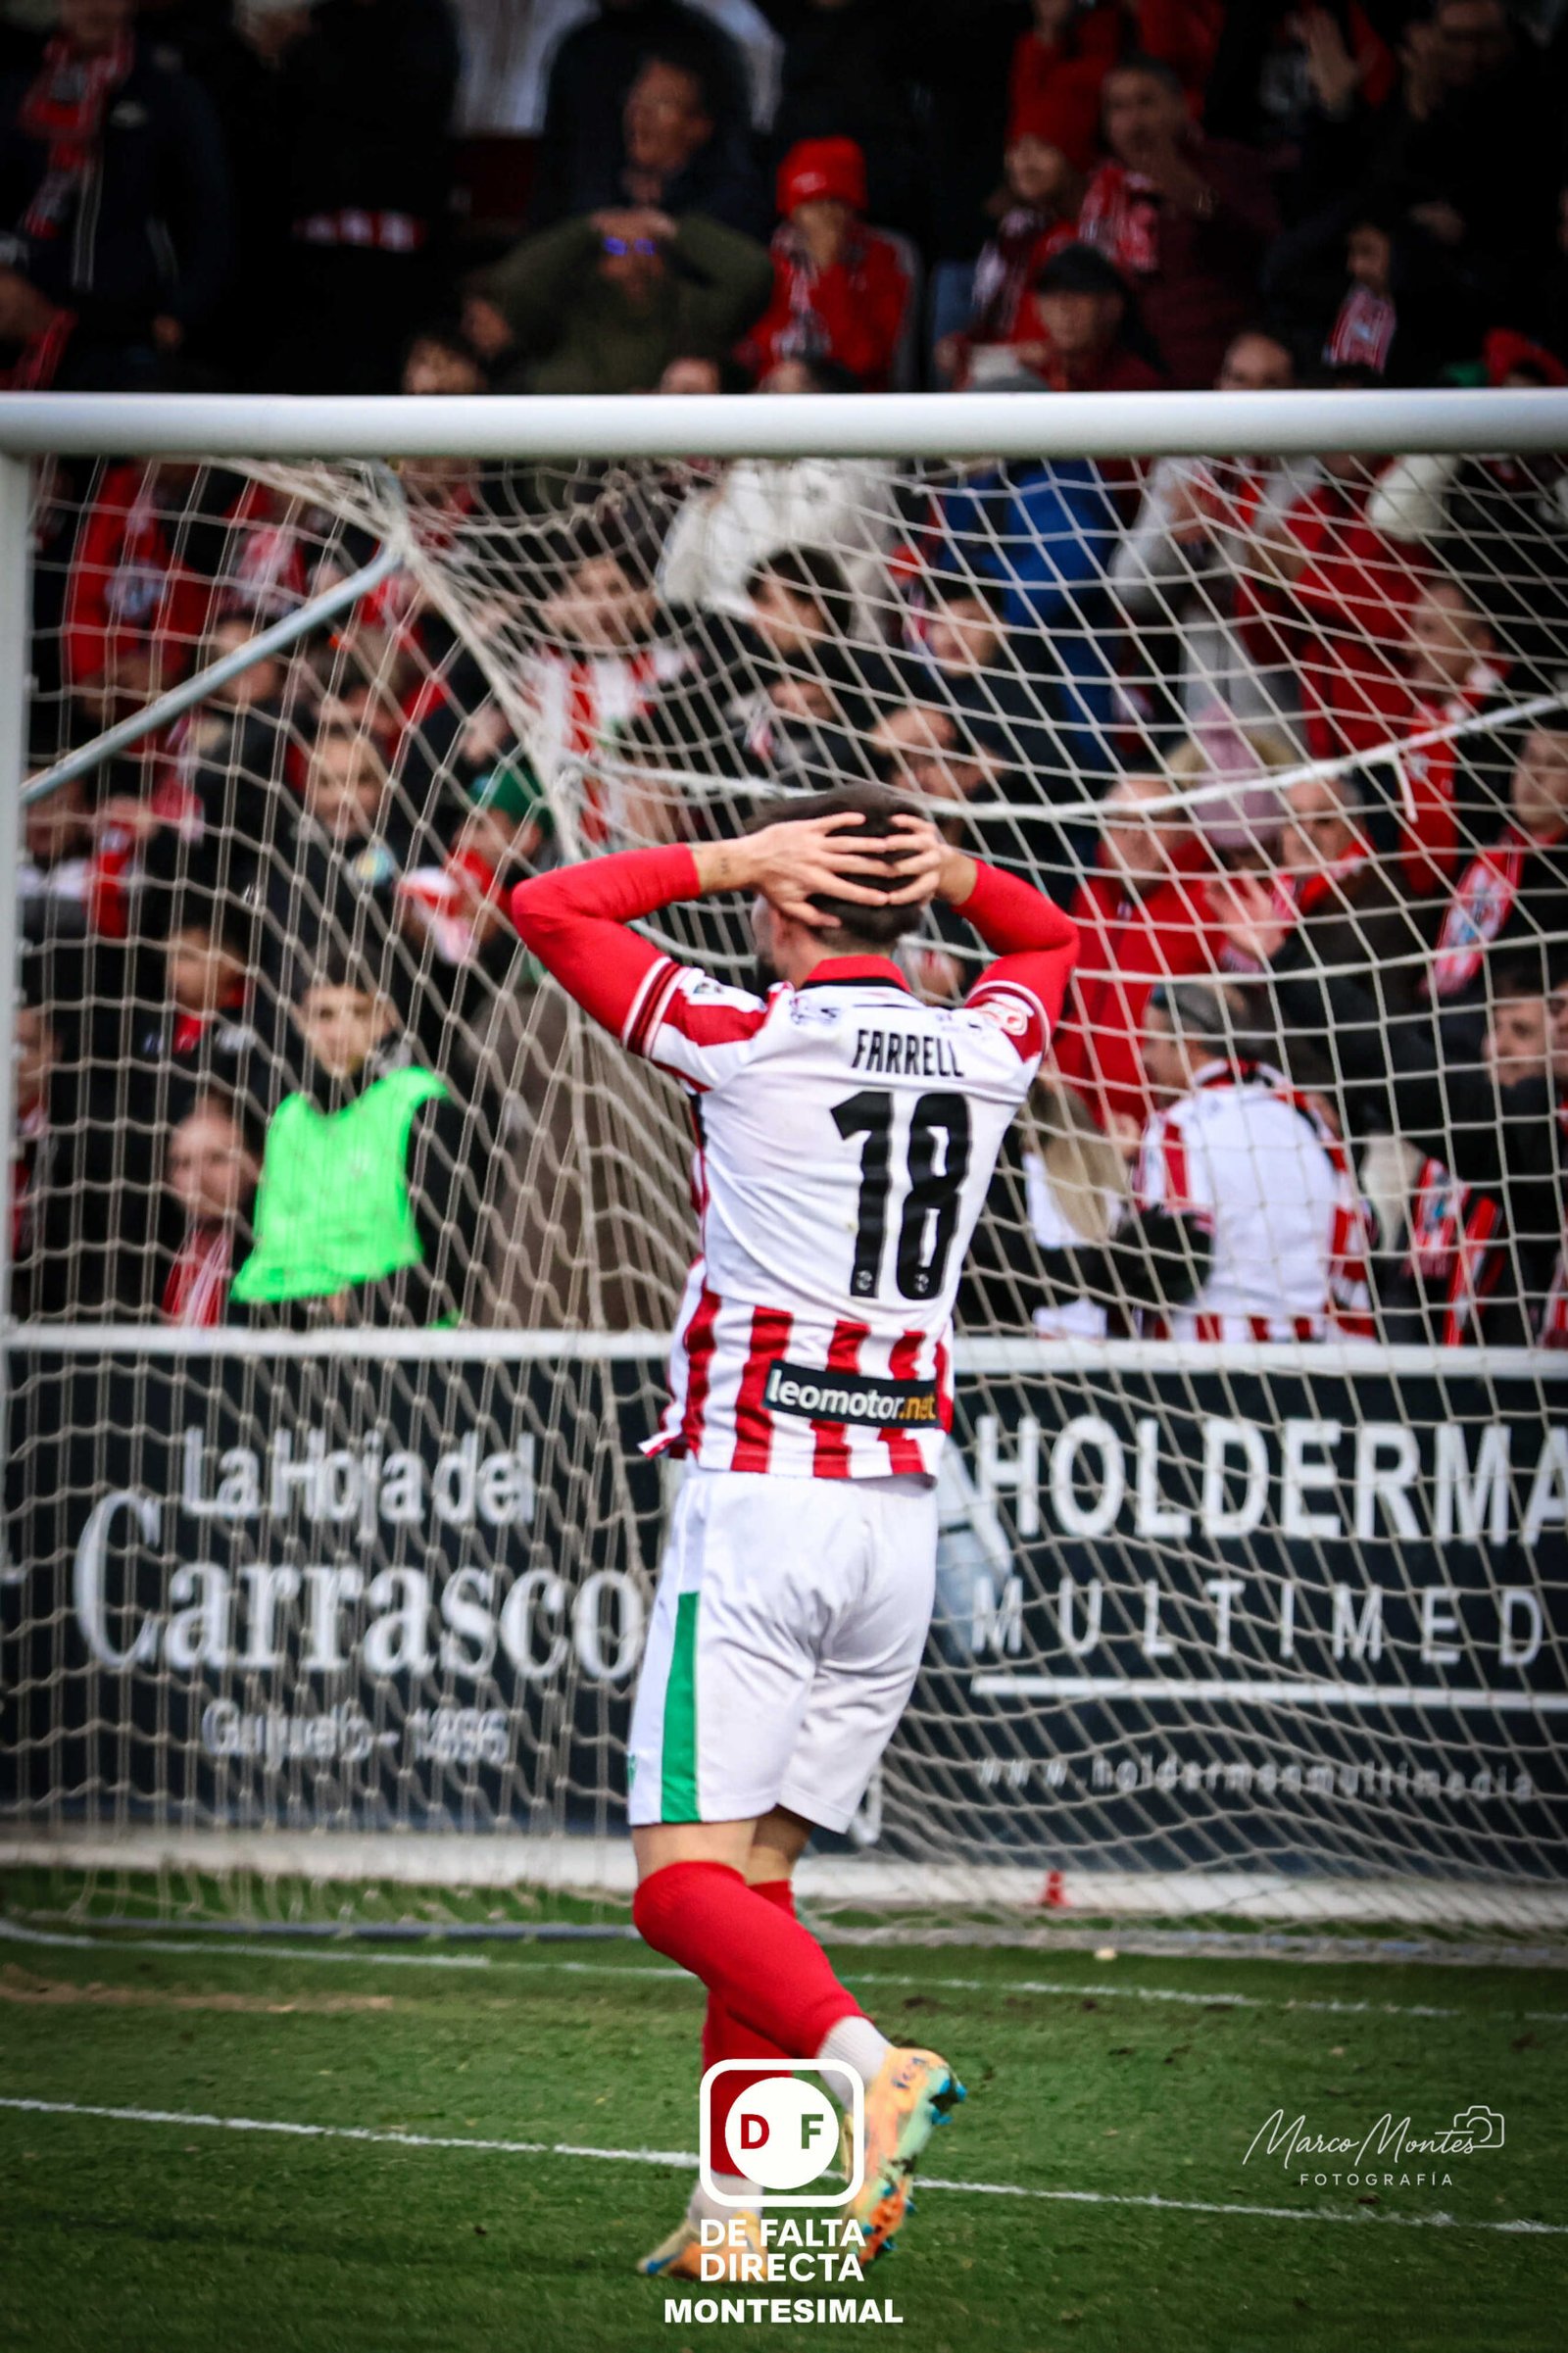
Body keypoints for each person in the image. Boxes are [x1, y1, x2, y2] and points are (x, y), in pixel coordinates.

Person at [509, 784, 1079, 2276]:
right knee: (756, 1889)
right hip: (899, 1521)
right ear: (907, 910)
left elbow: (548, 906)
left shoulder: (745, 1035)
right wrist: (955, 872)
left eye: (771, 882)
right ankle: (740, 2221)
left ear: (788, 900)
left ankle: (872, 2063)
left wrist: (725, 853)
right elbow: (1049, 934)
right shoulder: (984, 1043)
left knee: (678, 1890)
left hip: (763, 1503)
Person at [1030, 977, 1369, 1340]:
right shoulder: (1304, 1116)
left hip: (1207, 1366)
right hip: (1322, 1355)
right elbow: (1361, 1227)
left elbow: (1167, 1269)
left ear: (1188, 1046)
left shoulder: (1178, 1128)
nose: (1144, 1058)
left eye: (1152, 1041)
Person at [0, 0, 230, 391]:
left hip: (127, 330)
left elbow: (212, 213)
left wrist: (180, 314)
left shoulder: (167, 89)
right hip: (26, 323)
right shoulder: (20, 86)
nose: (95, 6)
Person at [232, 952, 468, 1325]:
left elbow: (455, 1262)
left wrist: (356, 1307)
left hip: (401, 1350)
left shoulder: (421, 1108)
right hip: (287, 1339)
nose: (339, 1033)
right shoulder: (287, 1118)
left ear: (386, 1019)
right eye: (323, 1014)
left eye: (358, 1013)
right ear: (298, 1020)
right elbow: (269, 1254)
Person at [1110, 327, 1319, 737]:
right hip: (1202, 703)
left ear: (1296, 388)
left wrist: (1228, 535)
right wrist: (1175, 541)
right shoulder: (1188, 462)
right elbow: (1129, 587)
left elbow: (1310, 588)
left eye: (1271, 382)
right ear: (1219, 384)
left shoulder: (1317, 472)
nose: (1252, 395)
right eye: (1239, 379)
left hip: (1293, 702)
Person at [1076, 55, 1277, 387]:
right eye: (1118, 107)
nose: (1134, 121)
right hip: (1133, 380)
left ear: (1182, 107)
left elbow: (1264, 245)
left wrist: (1194, 196)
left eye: (1146, 102)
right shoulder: (1103, 188)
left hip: (1221, 371)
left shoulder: (1226, 162)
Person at [1052, 768, 1223, 1134]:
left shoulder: (1214, 902)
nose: (1134, 838)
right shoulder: (1089, 898)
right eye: (1119, 823)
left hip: (1166, 1133)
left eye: (1153, 821)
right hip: (1070, 1125)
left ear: (1183, 826)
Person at [466, 203, 773, 397]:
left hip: (656, 492)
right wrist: (589, 228)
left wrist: (673, 229)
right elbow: (512, 282)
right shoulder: (564, 313)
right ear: (597, 262)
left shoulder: (690, 311)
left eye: (647, 248)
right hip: (559, 489)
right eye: (617, 249)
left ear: (666, 259)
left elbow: (754, 275)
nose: (634, 261)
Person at [528, 0, 754, 233]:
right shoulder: (578, 51)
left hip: (685, 251)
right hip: (584, 248)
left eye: (661, 103)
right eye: (636, 101)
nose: (639, 115)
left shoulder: (710, 49)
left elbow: (732, 183)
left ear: (698, 125)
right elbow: (553, 180)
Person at [741, 136, 911, 390]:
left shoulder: (882, 260)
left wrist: (830, 270)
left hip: (852, 399)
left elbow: (863, 359)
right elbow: (756, 352)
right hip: (778, 395)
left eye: (835, 202)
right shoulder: (773, 260)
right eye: (812, 204)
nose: (825, 216)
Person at [160, 1091, 261, 1326]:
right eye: (183, 1163)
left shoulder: (268, 1252)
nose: (199, 1180)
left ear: (258, 1162)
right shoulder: (166, 1248)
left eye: (217, 1159)